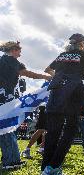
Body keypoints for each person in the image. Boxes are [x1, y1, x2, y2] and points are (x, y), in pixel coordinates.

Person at [41, 33, 84, 175]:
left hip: (57, 89)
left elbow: (47, 70)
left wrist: (60, 77)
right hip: (74, 90)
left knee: (53, 131)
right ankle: (54, 166)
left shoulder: (61, 55)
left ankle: (45, 168)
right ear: (81, 44)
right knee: (71, 129)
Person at [0, 41, 51, 170]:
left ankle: (10, 158)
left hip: (3, 97)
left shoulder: (2, 60)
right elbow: (29, 74)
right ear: (13, 50)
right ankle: (11, 161)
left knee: (5, 128)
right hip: (5, 99)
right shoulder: (11, 61)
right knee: (8, 128)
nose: (20, 53)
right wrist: (48, 77)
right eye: (19, 50)